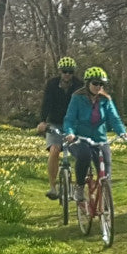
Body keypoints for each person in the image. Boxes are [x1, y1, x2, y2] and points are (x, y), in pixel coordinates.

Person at [63, 67, 127, 198]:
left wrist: (122, 132)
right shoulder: (77, 98)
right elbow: (69, 119)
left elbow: (114, 118)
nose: (98, 86)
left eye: (101, 84)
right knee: (84, 156)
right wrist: (70, 133)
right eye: (95, 83)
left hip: (100, 138)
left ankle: (106, 196)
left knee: (106, 164)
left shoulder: (106, 100)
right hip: (80, 138)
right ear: (88, 83)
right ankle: (79, 186)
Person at [37, 56, 81, 199]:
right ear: (60, 72)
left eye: (70, 71)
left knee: (81, 153)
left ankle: (80, 184)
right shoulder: (52, 84)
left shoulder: (79, 86)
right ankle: (53, 187)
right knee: (54, 150)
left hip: (73, 124)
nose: (67, 74)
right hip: (55, 122)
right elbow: (46, 103)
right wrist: (43, 121)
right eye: (64, 71)